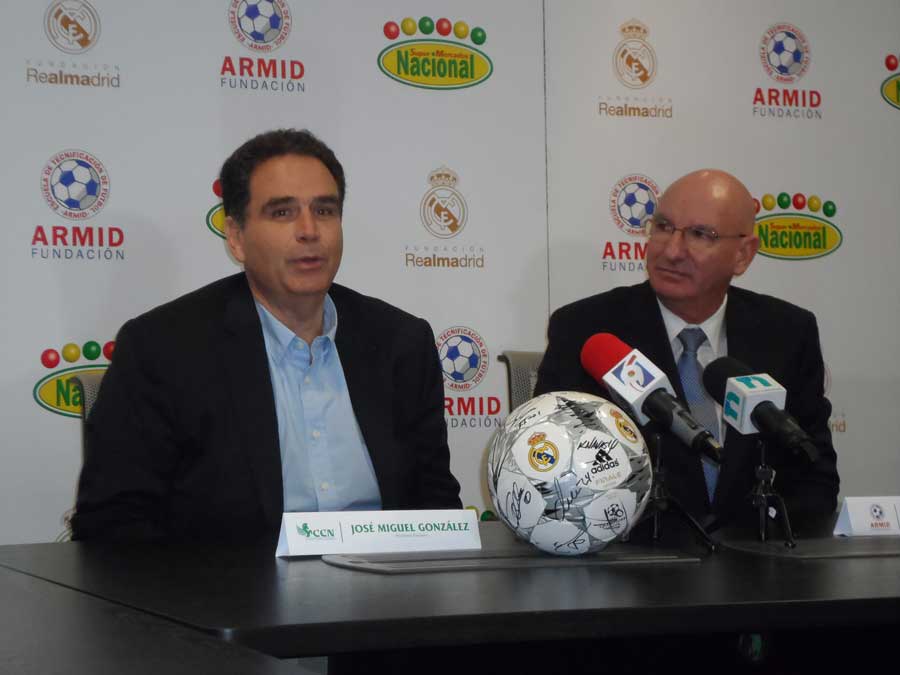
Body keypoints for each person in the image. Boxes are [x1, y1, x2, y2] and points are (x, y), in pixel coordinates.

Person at [71, 129, 461, 543]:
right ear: (236, 238)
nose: (310, 231)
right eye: (282, 213)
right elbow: (111, 526)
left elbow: (435, 507)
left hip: (388, 599)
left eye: (325, 211)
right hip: (228, 599)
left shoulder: (402, 342)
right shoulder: (162, 350)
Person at [534, 169, 838, 533]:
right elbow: (553, 478)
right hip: (633, 567)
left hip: (755, 566)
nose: (672, 250)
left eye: (699, 234)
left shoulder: (787, 332)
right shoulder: (587, 330)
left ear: (743, 254)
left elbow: (815, 478)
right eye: (663, 226)